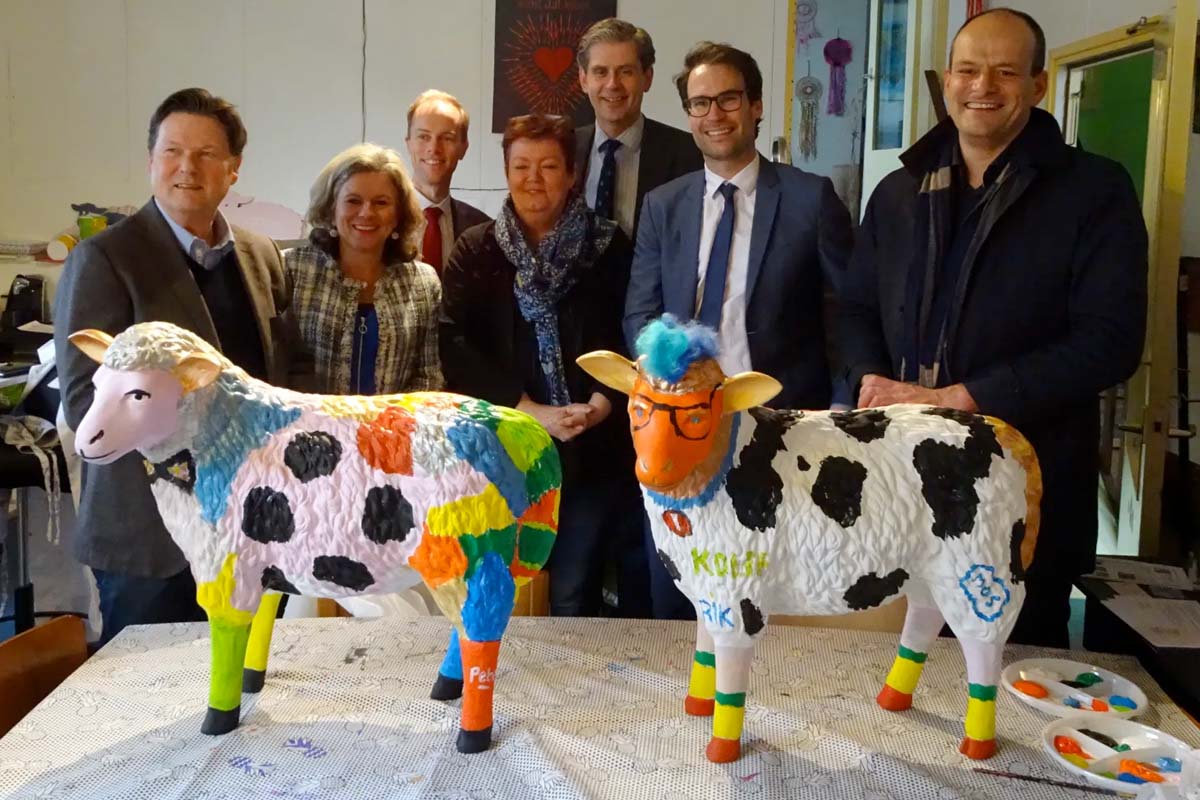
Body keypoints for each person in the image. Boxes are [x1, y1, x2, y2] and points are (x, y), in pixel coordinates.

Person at [837, 8, 1147, 648]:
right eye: (968, 70)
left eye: (1005, 72)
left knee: (1012, 669)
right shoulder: (897, 193)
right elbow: (854, 309)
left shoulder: (1093, 190)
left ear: (1038, 84)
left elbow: (1111, 341)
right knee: (903, 661)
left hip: (1024, 486)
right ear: (947, 79)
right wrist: (869, 378)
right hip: (905, 481)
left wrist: (963, 397)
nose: (983, 86)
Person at [54, 88, 292, 646]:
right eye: (173, 151)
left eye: (207, 154)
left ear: (233, 170)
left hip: (249, 530)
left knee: (246, 683)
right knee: (148, 689)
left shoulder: (262, 256)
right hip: (152, 539)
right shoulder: (106, 259)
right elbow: (86, 402)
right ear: (151, 161)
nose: (188, 167)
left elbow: (281, 377)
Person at [625, 43, 853, 619]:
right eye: (700, 103)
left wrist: (842, 406)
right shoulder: (663, 206)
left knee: (773, 596)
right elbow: (640, 314)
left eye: (728, 99)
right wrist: (664, 387)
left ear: (756, 106)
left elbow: (844, 312)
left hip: (780, 429)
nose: (715, 115)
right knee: (682, 590)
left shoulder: (809, 199)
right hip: (685, 430)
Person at [440, 113, 647, 617]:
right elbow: (453, 343)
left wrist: (600, 405)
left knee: (575, 589)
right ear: (506, 172)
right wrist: (530, 410)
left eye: (549, 166)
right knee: (502, 587)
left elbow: (629, 330)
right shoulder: (477, 249)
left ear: (572, 174)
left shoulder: (609, 247)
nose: (534, 179)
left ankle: (571, 672)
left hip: (592, 448)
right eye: (521, 166)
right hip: (503, 449)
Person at [285, 143, 443, 395]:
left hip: (394, 421)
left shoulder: (424, 283)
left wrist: (392, 418)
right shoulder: (290, 270)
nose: (366, 213)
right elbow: (274, 366)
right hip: (304, 419)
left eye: (381, 202)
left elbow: (428, 375)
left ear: (398, 215)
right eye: (353, 201)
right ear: (331, 209)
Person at [574, 18, 702, 240]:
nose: (612, 84)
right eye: (601, 72)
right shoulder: (564, 149)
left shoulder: (690, 154)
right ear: (583, 80)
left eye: (626, 72)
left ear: (647, 78)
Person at [405, 90, 490, 273]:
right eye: (424, 136)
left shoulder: (482, 230)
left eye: (447, 138)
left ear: (463, 148)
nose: (434, 148)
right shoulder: (380, 219)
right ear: (408, 143)